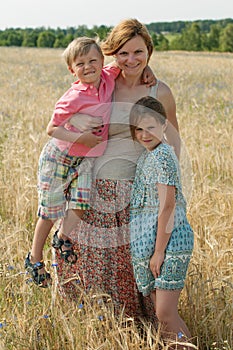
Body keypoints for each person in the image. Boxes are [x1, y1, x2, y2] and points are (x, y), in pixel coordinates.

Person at [53, 19, 181, 322]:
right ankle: (89, 322)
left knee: (130, 263)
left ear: (149, 51)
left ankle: (136, 328)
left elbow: (173, 142)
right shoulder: (104, 80)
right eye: (123, 53)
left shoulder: (159, 91)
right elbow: (71, 104)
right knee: (86, 258)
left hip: (134, 190)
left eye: (139, 52)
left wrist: (167, 190)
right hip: (94, 182)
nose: (131, 60)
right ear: (113, 54)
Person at [25, 37, 120, 287]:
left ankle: (62, 236)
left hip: (87, 158)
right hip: (59, 156)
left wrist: (149, 72)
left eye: (93, 60)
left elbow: (124, 63)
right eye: (80, 63)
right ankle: (34, 257)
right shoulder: (73, 96)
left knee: (81, 203)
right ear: (72, 69)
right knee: (51, 209)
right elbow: (51, 129)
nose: (88, 66)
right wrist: (82, 137)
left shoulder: (109, 78)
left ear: (102, 61)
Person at [129, 96, 194, 347]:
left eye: (151, 128)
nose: (145, 135)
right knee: (161, 314)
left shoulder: (163, 156)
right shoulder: (150, 154)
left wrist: (158, 252)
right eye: (139, 129)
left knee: (165, 313)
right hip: (156, 243)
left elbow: (168, 206)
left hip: (170, 243)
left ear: (164, 125)